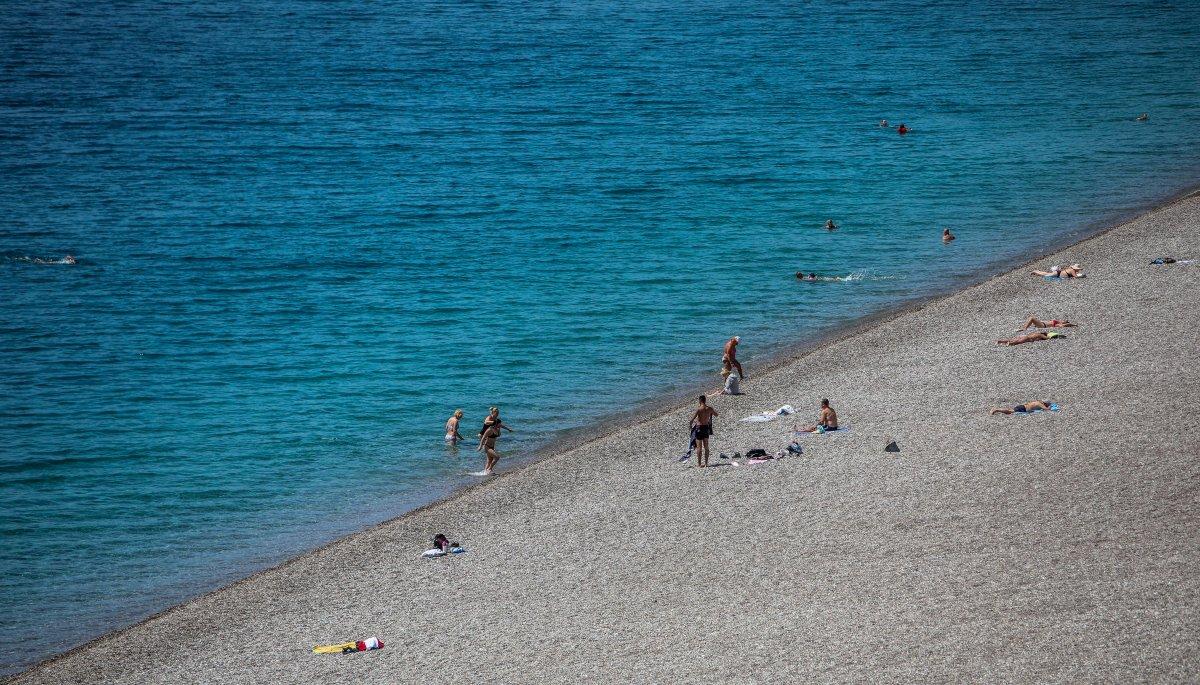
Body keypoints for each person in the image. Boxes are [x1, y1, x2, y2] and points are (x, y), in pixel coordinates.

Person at [477, 407, 514, 475]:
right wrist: (480, 446)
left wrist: (508, 429)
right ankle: (489, 469)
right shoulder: (489, 429)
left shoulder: (497, 429)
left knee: (489, 460)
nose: (500, 425)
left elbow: (501, 426)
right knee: (497, 457)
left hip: (492, 446)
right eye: (498, 424)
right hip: (487, 446)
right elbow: (483, 437)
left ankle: (484, 473)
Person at [690, 395, 719, 467]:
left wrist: (690, 427)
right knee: (706, 446)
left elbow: (691, 420)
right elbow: (716, 415)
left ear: (700, 401)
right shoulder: (709, 408)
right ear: (705, 400)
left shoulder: (699, 409)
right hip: (706, 428)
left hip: (699, 428)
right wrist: (710, 413)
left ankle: (699, 464)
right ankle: (706, 464)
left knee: (699, 447)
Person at [996, 330, 1064, 346]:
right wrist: (1050, 336)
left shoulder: (1036, 333)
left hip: (1024, 335)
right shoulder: (1040, 335)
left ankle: (1001, 341)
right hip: (1027, 338)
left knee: (1013, 339)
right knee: (1018, 342)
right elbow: (1046, 338)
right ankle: (1010, 344)